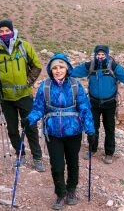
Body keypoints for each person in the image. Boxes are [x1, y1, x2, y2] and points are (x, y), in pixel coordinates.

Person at [21, 53, 95, 210]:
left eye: (61, 67)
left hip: (74, 132)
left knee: (73, 163)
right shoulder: (45, 86)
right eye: (54, 67)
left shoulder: (75, 85)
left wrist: (90, 130)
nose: (58, 70)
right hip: (53, 133)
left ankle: (72, 190)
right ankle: (61, 194)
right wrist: (29, 119)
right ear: (50, 69)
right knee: (56, 165)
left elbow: (85, 109)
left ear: (67, 68)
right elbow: (38, 107)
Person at [0, 19, 45, 172]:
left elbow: (36, 65)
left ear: (12, 31)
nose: (4, 33)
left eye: (6, 30)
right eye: (1, 31)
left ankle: (37, 157)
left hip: (24, 95)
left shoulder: (23, 46)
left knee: (31, 127)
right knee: (12, 129)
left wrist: (28, 81)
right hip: (6, 98)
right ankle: (20, 155)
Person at [72, 45, 124, 164]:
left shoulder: (113, 66)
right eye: (98, 54)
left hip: (110, 103)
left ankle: (109, 153)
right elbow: (73, 72)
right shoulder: (90, 66)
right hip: (93, 102)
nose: (100, 57)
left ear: (106, 55)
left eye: (102, 54)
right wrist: (61, 73)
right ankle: (92, 149)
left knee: (109, 128)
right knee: (92, 127)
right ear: (95, 55)